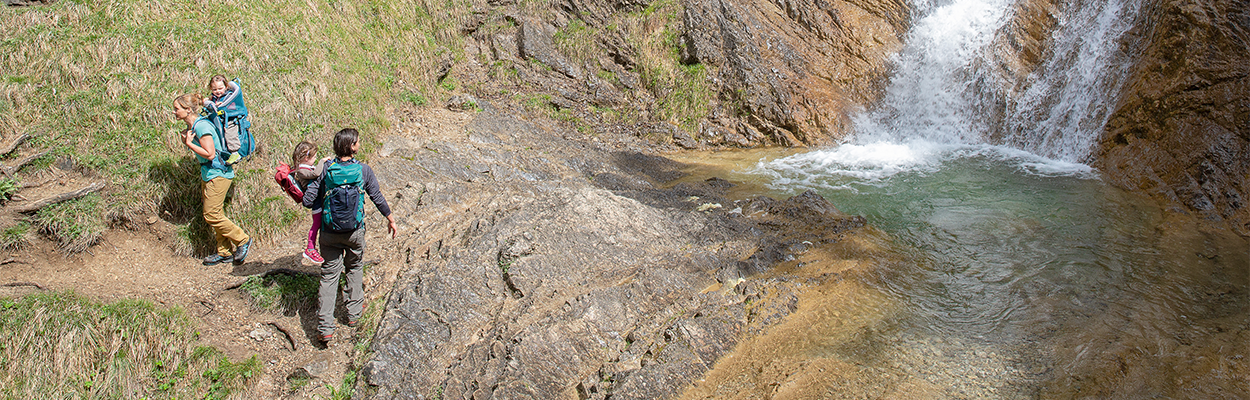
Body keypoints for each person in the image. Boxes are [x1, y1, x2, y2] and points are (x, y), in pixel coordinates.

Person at [302, 128, 397, 343]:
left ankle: (325, 327)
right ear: (352, 146)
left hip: (329, 232)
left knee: (329, 276)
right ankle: (354, 315)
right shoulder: (363, 170)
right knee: (354, 267)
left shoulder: (326, 169)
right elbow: (376, 196)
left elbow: (307, 201)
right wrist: (390, 218)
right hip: (354, 231)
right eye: (357, 142)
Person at [173, 93, 253, 266]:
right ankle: (224, 252)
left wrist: (189, 144)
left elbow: (210, 154)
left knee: (211, 214)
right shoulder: (195, 125)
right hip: (209, 174)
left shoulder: (201, 127)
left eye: (177, 109)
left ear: (187, 110)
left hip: (218, 174)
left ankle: (243, 240)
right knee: (216, 213)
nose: (174, 112)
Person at [290, 141, 331, 264]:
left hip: (318, 200)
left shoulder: (304, 168)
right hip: (315, 202)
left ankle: (312, 247)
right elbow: (316, 173)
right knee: (316, 224)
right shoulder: (302, 170)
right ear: (306, 158)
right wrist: (322, 162)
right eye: (314, 158)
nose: (315, 160)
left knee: (318, 223)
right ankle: (310, 248)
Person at [206, 75, 247, 164]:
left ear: (226, 87)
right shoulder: (214, 98)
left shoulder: (229, 96)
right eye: (214, 89)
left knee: (230, 133)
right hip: (220, 120)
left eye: (220, 88)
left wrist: (221, 105)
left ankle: (235, 153)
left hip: (230, 120)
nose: (217, 92)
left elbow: (231, 107)